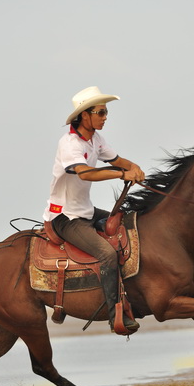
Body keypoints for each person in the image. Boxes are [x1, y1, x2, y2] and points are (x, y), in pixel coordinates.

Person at [43, 86, 145, 333]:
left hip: (86, 210)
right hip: (65, 217)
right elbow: (85, 172)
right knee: (107, 254)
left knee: (132, 223)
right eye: (101, 112)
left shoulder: (96, 140)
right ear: (84, 115)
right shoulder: (69, 143)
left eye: (106, 112)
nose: (105, 116)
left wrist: (136, 168)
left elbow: (119, 161)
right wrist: (123, 173)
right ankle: (115, 315)